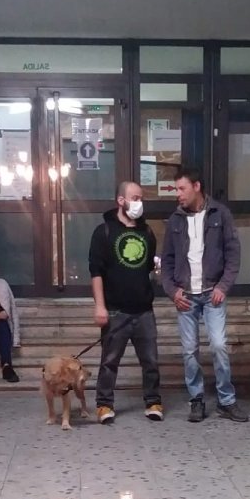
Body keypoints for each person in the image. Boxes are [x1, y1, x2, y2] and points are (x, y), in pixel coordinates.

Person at [160, 167, 248, 423]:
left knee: (219, 345)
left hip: (212, 294)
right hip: (185, 296)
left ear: (197, 186)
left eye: (182, 188)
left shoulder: (220, 214)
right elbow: (166, 261)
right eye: (176, 189)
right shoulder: (175, 220)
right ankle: (196, 399)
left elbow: (233, 254)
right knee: (189, 350)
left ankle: (226, 401)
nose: (178, 194)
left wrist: (223, 286)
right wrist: (172, 291)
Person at [89, 181, 162, 424]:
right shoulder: (104, 232)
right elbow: (96, 271)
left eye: (141, 198)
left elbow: (150, 265)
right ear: (121, 200)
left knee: (150, 360)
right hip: (115, 310)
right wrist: (100, 306)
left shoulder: (147, 232)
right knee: (109, 361)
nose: (139, 203)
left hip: (143, 310)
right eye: (135, 197)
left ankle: (153, 401)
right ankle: (104, 404)